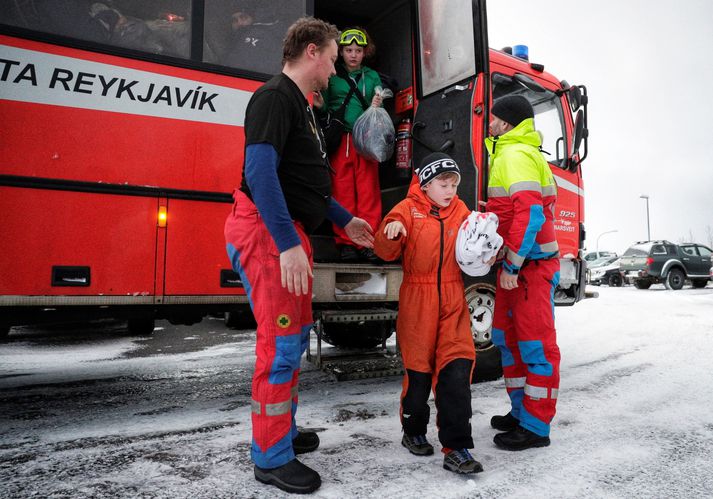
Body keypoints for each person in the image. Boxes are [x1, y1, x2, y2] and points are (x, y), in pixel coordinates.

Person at [224, 17, 375, 494]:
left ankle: (282, 434)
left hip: (288, 229)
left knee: (293, 338)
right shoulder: (274, 97)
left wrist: (343, 219)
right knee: (281, 346)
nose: (334, 69)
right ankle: (270, 457)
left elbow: (304, 182)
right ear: (312, 52)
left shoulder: (303, 106)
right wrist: (287, 243)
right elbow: (260, 172)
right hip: (272, 232)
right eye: (332, 57)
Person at [374, 152, 484, 475]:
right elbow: (383, 249)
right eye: (443, 184)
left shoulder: (461, 211)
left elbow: (476, 245)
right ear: (426, 183)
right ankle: (413, 430)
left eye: (453, 184)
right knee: (418, 376)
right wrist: (391, 231)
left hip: (452, 301)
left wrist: (488, 245)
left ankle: (457, 448)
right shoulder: (407, 210)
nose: (450, 190)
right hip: (417, 302)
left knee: (456, 373)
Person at [484, 95, 561, 451]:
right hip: (518, 268)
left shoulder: (514, 154)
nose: (489, 122)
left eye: (494, 117)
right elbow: (515, 210)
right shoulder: (509, 153)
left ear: (506, 122)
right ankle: (520, 413)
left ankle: (535, 428)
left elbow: (530, 214)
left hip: (529, 269)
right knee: (509, 342)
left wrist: (512, 264)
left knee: (535, 347)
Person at [314, 27, 384, 263]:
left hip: (365, 141)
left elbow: (377, 110)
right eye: (348, 50)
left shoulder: (372, 76)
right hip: (340, 139)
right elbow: (324, 110)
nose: (353, 54)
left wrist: (377, 104)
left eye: (358, 50)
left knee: (368, 193)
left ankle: (368, 243)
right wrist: (320, 102)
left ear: (365, 52)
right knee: (342, 192)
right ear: (341, 52)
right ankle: (345, 243)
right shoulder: (332, 75)